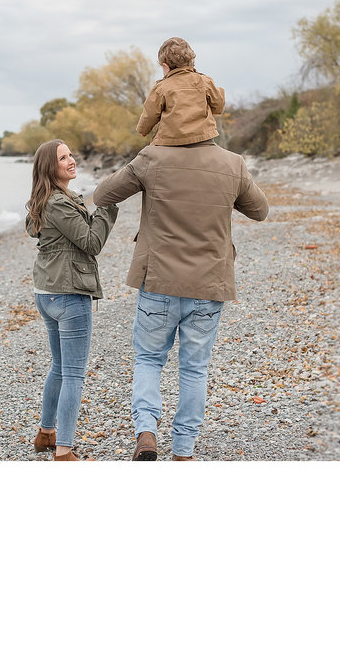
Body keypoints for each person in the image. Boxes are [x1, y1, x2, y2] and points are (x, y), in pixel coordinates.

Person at [91, 129, 269, 460]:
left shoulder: (152, 157)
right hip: (208, 284)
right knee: (194, 368)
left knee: (148, 358)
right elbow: (260, 211)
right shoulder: (232, 163)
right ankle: (184, 451)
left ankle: (146, 430)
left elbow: (102, 195)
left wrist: (144, 166)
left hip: (159, 280)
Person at [25, 139, 116, 461]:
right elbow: (91, 242)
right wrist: (108, 206)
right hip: (68, 293)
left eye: (70, 155)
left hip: (47, 293)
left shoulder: (51, 199)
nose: (71, 161)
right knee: (73, 374)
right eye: (63, 158)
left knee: (60, 367)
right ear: (50, 167)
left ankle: (46, 434)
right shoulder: (58, 203)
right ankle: (64, 451)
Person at [137, 35, 228, 146]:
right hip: (204, 137)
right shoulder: (205, 81)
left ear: (165, 66)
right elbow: (219, 106)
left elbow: (150, 113)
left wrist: (143, 130)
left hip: (170, 140)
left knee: (142, 160)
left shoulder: (161, 88)